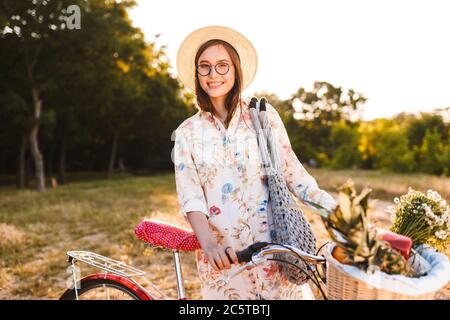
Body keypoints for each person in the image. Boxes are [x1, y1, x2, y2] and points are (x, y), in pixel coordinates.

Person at [173, 25, 336, 300]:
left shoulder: (262, 117)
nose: (213, 75)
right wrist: (210, 245)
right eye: (205, 67)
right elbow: (191, 199)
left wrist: (340, 216)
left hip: (276, 259)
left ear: (236, 70)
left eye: (223, 66)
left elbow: (293, 174)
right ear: (197, 72)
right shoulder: (187, 133)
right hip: (226, 266)